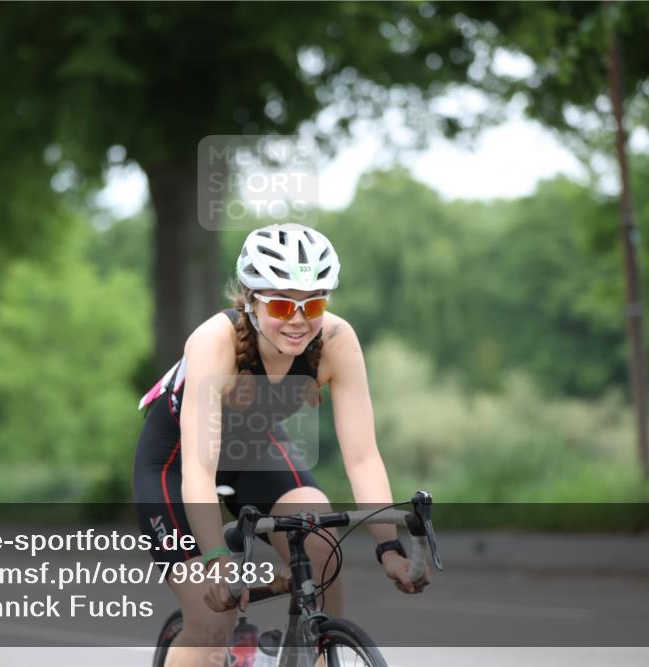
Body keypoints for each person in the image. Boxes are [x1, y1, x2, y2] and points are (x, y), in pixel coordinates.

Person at [133, 223, 429, 666]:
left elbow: (363, 456)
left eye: (313, 304)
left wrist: (389, 547)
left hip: (255, 451)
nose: (297, 319)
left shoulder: (335, 341)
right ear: (250, 301)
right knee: (212, 624)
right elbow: (198, 468)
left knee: (321, 542)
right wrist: (216, 559)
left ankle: (307, 649)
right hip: (176, 464)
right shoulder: (216, 342)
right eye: (280, 303)